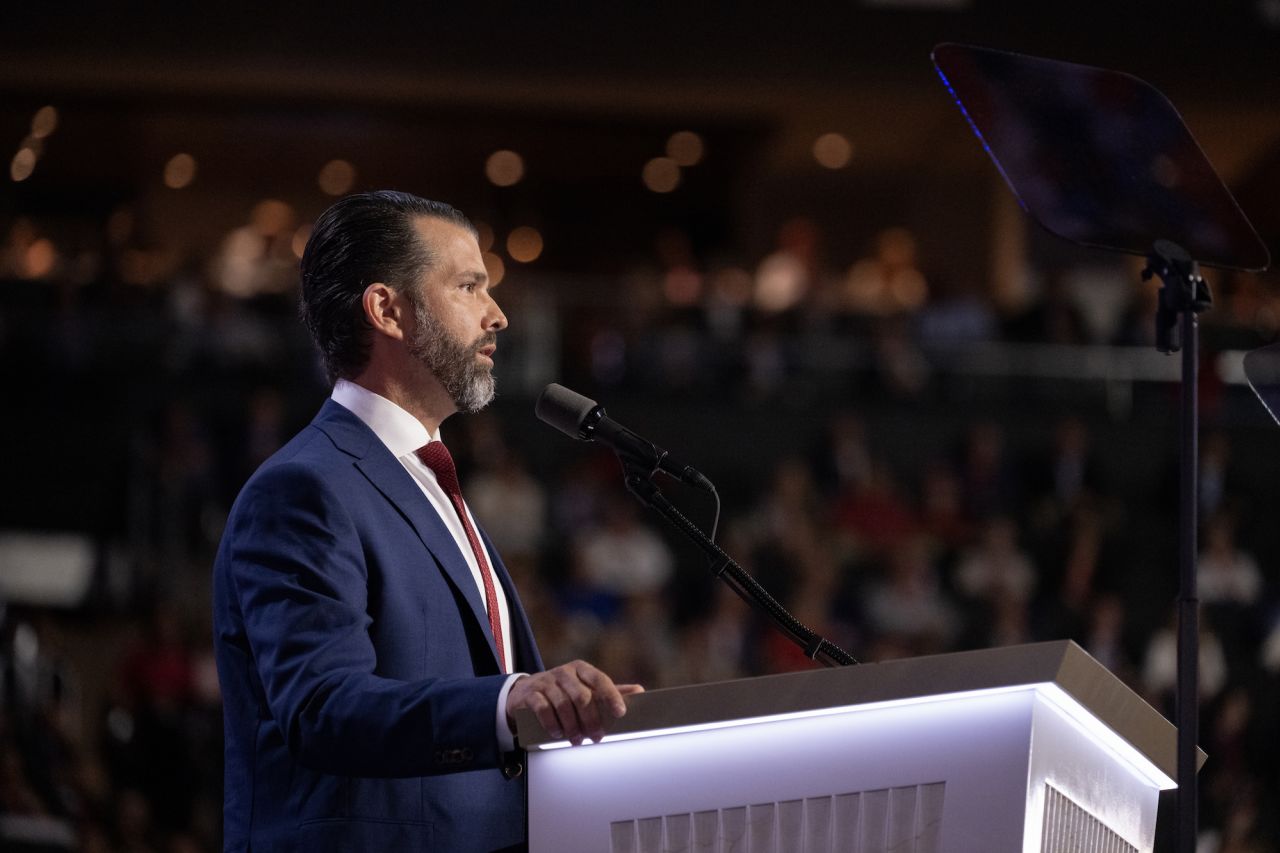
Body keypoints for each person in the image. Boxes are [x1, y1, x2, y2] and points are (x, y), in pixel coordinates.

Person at [212, 190, 642, 852]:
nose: (497, 315)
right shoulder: (305, 490)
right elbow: (322, 706)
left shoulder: (428, 478)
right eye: (469, 286)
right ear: (387, 309)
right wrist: (510, 703)